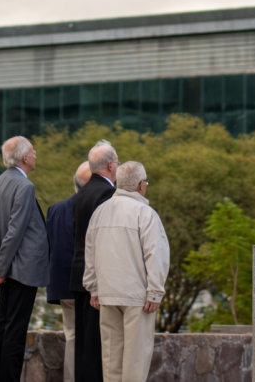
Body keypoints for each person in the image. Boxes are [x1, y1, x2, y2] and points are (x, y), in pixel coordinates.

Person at [83, 161, 169, 382]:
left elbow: (90, 254)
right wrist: (155, 292)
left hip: (107, 294)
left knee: (111, 362)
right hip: (137, 297)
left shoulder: (99, 212)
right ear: (141, 185)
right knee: (135, 361)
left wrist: (93, 288)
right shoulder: (146, 213)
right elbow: (155, 255)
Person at [0, 136, 50, 382]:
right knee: (15, 334)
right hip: (21, 271)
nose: (36, 154)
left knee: (3, 330)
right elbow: (15, 230)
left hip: (6, 271)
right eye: (33, 150)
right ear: (24, 157)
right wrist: (0, 268)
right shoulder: (25, 187)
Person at [71, 140, 118, 382]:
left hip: (79, 275)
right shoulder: (107, 193)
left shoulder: (82, 192)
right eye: (117, 162)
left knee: (83, 344)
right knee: (97, 346)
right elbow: (103, 240)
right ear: (111, 165)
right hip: (96, 280)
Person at [46, 161, 92, 382]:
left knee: (72, 337)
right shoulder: (93, 207)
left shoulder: (54, 210)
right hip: (86, 286)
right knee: (91, 339)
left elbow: (49, 247)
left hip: (62, 284)